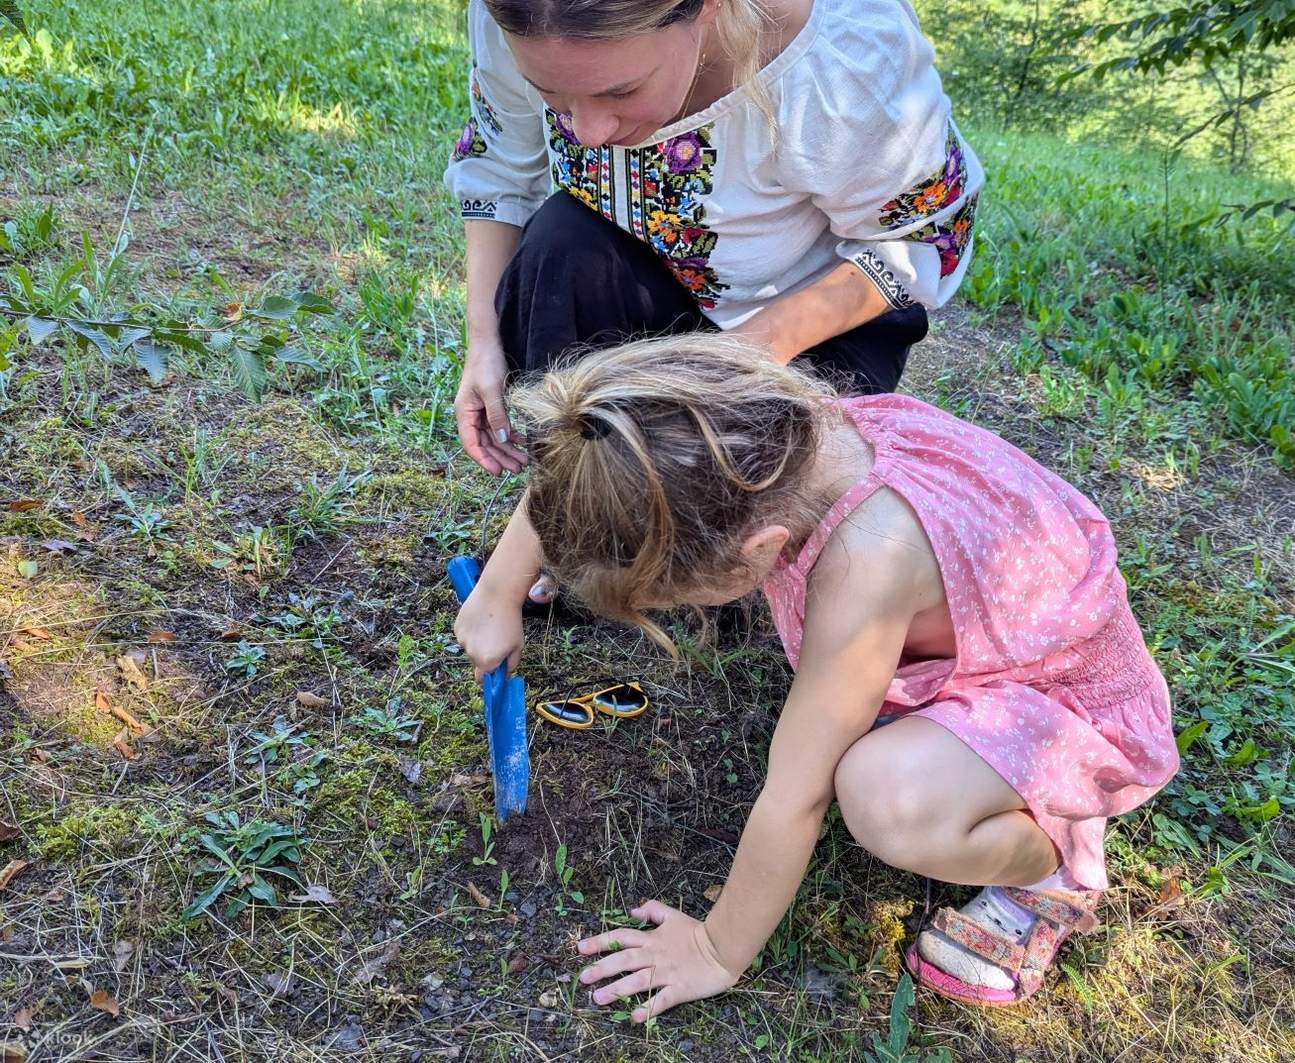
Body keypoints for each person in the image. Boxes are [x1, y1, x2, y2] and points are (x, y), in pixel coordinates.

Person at [453, 335, 1180, 1016]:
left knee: (881, 796)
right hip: (992, 641)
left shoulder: (868, 560)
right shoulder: (775, 437)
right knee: (851, 742)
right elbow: (600, 449)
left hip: (1064, 703)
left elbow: (793, 797)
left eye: (671, 600)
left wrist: (714, 948)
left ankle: (1050, 865)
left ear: (759, 549)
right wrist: (499, 587)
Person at [444, 0, 984, 486]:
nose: (586, 130)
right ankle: (581, 512)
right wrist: (484, 340)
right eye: (550, 94)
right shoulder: (523, 14)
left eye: (620, 91)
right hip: (646, 281)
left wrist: (734, 360)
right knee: (562, 239)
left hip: (813, 326)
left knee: (720, 541)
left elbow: (924, 236)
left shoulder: (843, 58)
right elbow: (501, 170)